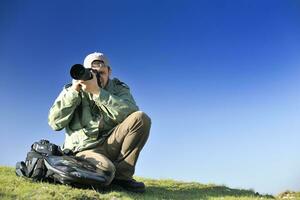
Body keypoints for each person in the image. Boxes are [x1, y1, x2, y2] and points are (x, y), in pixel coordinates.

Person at [48, 52, 151, 193]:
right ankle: (101, 173)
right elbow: (54, 123)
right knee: (107, 170)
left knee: (141, 118)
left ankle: (122, 178)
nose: (97, 76)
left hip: (110, 144)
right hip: (83, 150)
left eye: (102, 72)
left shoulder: (118, 88)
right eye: (93, 72)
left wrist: (97, 92)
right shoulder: (72, 90)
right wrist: (73, 93)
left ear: (109, 71)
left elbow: (130, 111)